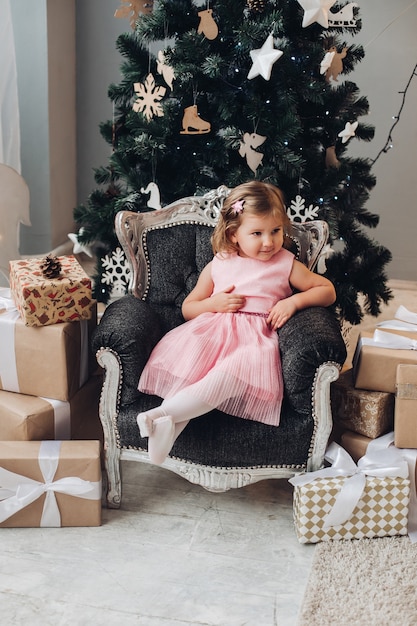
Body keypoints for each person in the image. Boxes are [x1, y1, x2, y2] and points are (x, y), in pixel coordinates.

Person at [137, 181, 336, 464]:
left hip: (253, 343)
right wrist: (212, 304)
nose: (269, 242)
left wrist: (292, 302)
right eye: (257, 233)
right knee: (194, 380)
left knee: (226, 378)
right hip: (211, 336)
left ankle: (160, 416)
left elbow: (326, 290)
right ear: (233, 234)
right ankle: (164, 427)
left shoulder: (284, 263)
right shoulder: (219, 263)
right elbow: (188, 308)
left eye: (276, 231)